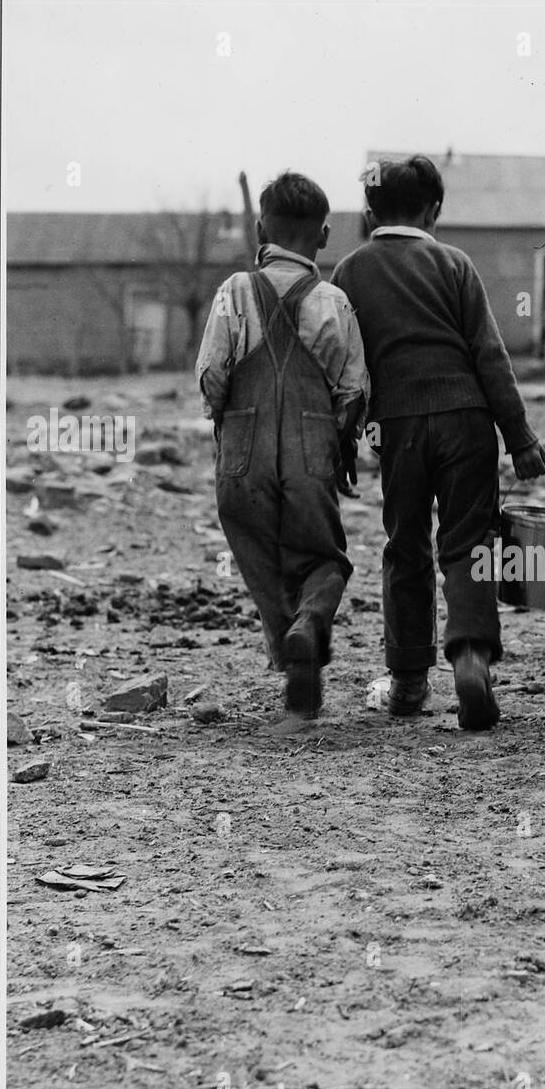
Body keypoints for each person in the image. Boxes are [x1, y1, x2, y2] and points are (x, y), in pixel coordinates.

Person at [331, 155, 545, 729]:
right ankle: (472, 657)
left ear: (370, 211)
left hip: (397, 428)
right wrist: (520, 436)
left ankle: (406, 682)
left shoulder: (350, 272)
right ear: (434, 211)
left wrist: (342, 438)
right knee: (469, 542)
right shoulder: (454, 264)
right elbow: (489, 355)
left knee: (406, 545)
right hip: (468, 421)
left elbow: (345, 367)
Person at [196, 171, 369, 718]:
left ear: (258, 229)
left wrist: (227, 425)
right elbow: (353, 392)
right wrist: (341, 443)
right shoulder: (334, 302)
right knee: (323, 558)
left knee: (258, 555)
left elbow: (212, 375)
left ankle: (292, 652)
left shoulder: (233, 292)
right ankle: (310, 623)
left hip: (242, 454)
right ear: (322, 235)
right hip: (311, 449)